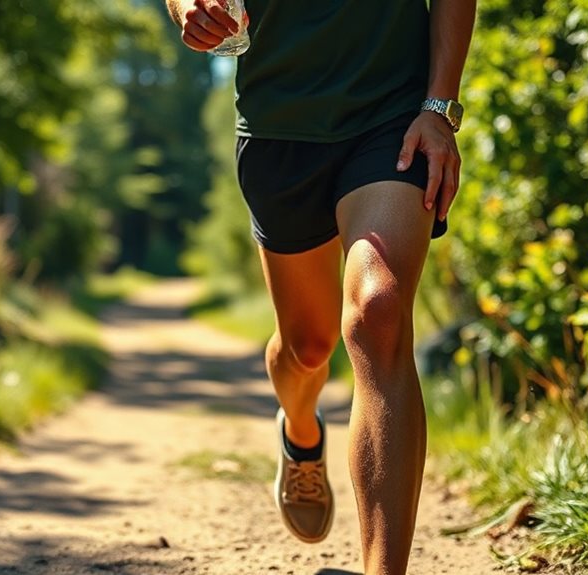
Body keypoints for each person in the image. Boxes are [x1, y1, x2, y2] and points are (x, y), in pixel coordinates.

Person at [165, 1, 476, 572]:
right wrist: (189, 6)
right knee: (308, 348)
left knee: (378, 309)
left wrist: (439, 107)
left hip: (392, 117)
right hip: (278, 128)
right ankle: (301, 429)